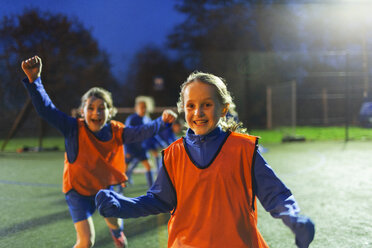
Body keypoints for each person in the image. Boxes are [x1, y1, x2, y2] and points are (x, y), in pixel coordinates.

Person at [95, 71, 315, 248]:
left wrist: (293, 218)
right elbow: (159, 200)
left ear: (223, 109)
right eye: (191, 105)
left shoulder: (244, 150)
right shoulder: (173, 154)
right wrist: (123, 205)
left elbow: (275, 194)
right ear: (184, 109)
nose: (198, 112)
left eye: (207, 105)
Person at [21, 56, 176, 248]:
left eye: (102, 108)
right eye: (91, 108)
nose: (96, 113)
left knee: (116, 223)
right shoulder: (72, 128)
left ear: (110, 112)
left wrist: (162, 121)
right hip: (77, 192)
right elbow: (46, 110)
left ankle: (117, 233)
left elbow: (141, 132)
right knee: (86, 242)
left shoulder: (116, 131)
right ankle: (114, 232)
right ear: (82, 111)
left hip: (104, 191)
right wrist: (35, 81)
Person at [124, 96, 156, 188]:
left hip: (141, 149)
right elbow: (127, 135)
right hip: (131, 148)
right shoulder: (132, 119)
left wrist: (153, 147)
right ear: (136, 108)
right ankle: (119, 190)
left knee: (149, 166)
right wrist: (127, 150)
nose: (143, 109)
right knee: (124, 170)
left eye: (145, 107)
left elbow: (150, 136)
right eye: (141, 107)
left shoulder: (148, 120)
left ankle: (152, 189)